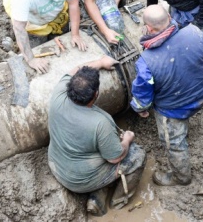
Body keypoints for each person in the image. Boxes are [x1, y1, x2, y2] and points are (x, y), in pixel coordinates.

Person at [48, 55, 146, 216]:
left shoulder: (59, 92)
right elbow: (115, 158)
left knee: (97, 153)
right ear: (95, 95)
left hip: (55, 163)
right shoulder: (100, 123)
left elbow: (75, 71)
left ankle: (98, 196)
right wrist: (128, 139)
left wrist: (100, 62)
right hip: (78, 180)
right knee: (136, 155)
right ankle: (118, 201)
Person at [130, 5, 203, 186]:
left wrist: (140, 109)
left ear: (148, 29)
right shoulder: (194, 32)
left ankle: (181, 177)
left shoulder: (146, 61)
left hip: (174, 109)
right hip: (201, 94)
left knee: (174, 141)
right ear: (168, 16)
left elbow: (143, 93)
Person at [2, 0, 87, 74]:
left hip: (56, 12)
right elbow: (19, 28)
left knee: (63, 26)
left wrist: (75, 34)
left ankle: (54, 32)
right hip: (34, 21)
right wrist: (31, 59)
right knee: (35, 45)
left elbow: (73, 3)